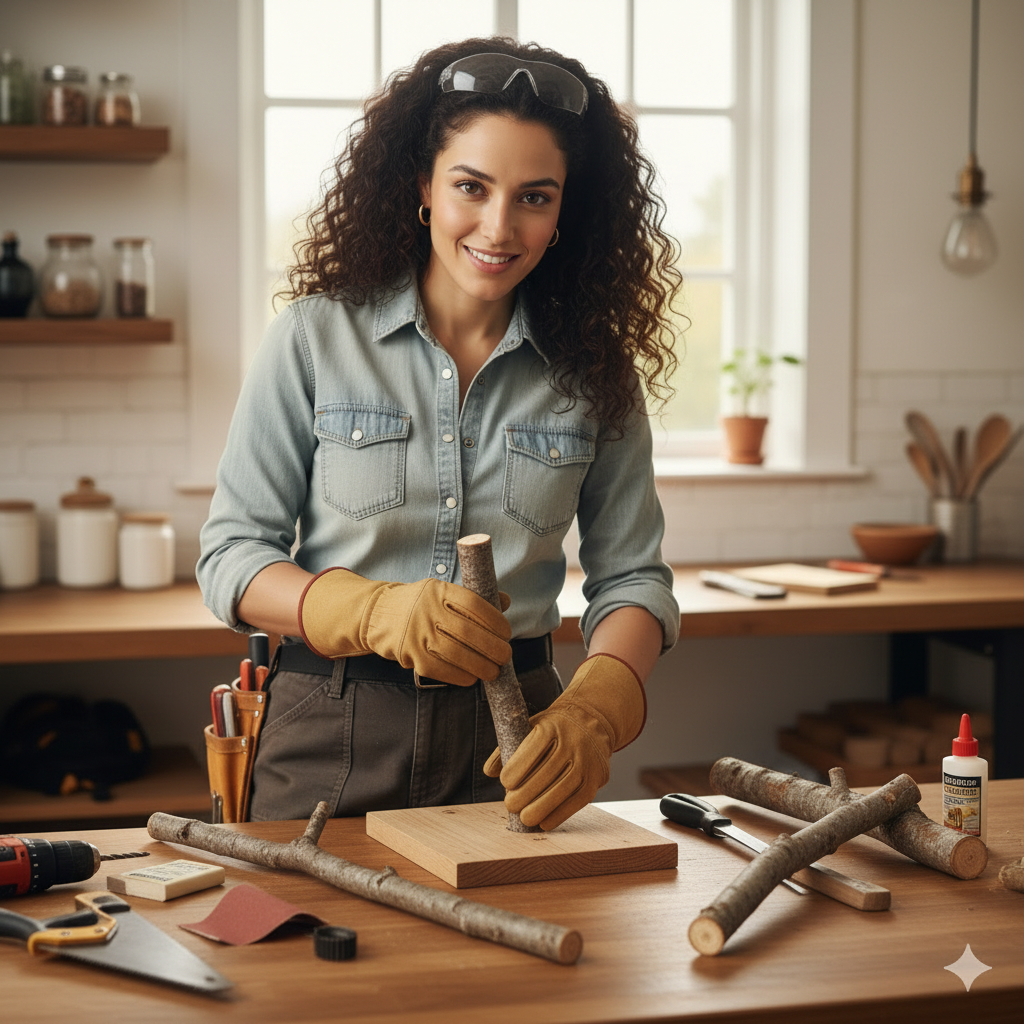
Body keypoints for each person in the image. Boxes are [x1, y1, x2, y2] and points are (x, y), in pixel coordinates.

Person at [197, 37, 682, 830]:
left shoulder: (597, 371)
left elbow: (633, 580)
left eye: (535, 197)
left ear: (565, 212)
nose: (499, 226)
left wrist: (599, 706)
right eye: (471, 187)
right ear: (423, 186)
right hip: (329, 732)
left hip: (517, 742)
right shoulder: (314, 339)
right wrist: (370, 611)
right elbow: (232, 558)